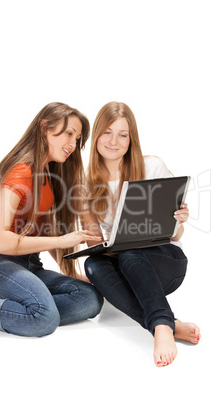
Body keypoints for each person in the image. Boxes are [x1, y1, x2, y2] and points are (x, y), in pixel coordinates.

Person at [0, 102, 103, 339]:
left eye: (78, 138)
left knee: (89, 298)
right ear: (44, 128)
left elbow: (46, 233)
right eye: (68, 133)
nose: (73, 144)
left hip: (29, 266)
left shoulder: (47, 176)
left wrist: (69, 271)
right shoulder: (20, 172)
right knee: (45, 318)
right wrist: (62, 241)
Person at [82, 101, 200, 367]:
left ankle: (159, 325)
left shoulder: (152, 167)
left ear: (131, 139)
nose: (114, 141)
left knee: (131, 251)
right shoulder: (86, 183)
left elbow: (176, 235)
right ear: (97, 135)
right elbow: (94, 242)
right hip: (125, 265)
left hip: (164, 263)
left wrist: (179, 219)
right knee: (93, 264)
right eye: (107, 132)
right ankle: (170, 325)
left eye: (123, 134)